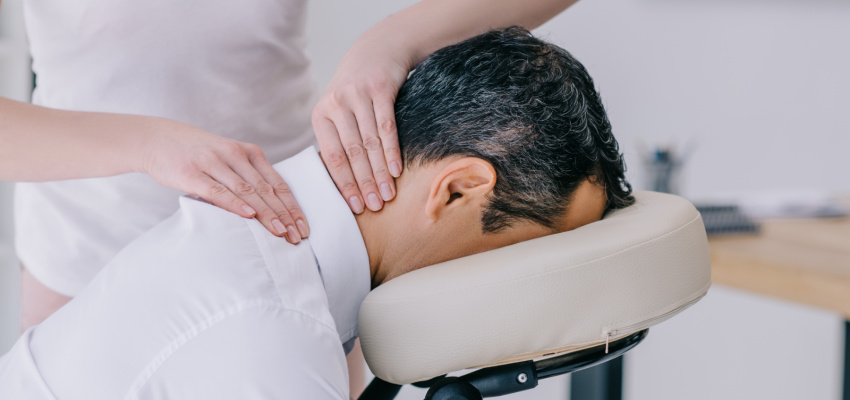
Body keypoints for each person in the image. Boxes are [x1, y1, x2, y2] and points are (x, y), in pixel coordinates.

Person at [0, 28, 633, 399]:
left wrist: (391, 41)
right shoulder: (269, 329)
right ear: (458, 189)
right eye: (528, 250)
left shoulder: (282, 290)